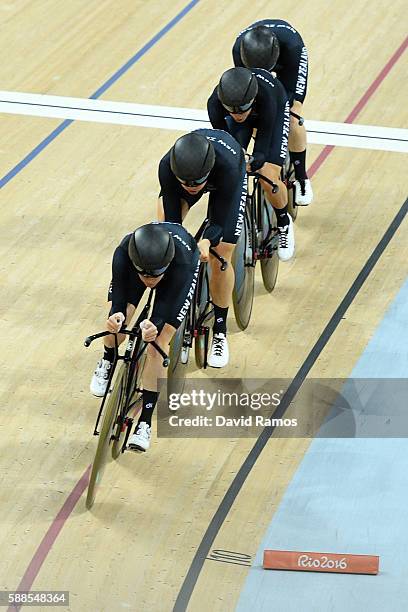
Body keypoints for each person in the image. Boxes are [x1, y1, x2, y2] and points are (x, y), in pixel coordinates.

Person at [90, 222, 200, 452]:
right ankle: (108, 359)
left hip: (177, 278)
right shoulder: (123, 254)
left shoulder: (182, 263)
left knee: (157, 344)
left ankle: (145, 422)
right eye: (145, 275)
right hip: (137, 266)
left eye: (155, 275)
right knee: (117, 324)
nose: (150, 280)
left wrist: (155, 324)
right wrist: (117, 315)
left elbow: (166, 309)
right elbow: (119, 298)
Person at [158, 129, 247, 368]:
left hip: (226, 178)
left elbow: (218, 221)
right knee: (164, 237)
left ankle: (220, 329)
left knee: (221, 254)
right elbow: (171, 224)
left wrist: (206, 242)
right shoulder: (167, 166)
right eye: (186, 183)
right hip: (192, 171)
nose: (192, 187)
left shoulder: (227, 167)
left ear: (206, 173)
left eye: (197, 182)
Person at [207, 66, 295, 261]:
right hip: (246, 116)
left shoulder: (266, 98)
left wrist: (256, 160)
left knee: (267, 175)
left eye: (242, 109)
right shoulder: (215, 103)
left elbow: (263, 147)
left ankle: (283, 221)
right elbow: (225, 142)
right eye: (232, 111)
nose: (238, 114)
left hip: (273, 111)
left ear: (252, 100)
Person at [232, 19, 313, 206]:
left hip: (288, 64)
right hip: (255, 63)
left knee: (293, 117)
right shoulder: (239, 49)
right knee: (251, 110)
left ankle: (302, 178)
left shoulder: (292, 47)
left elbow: (293, 98)